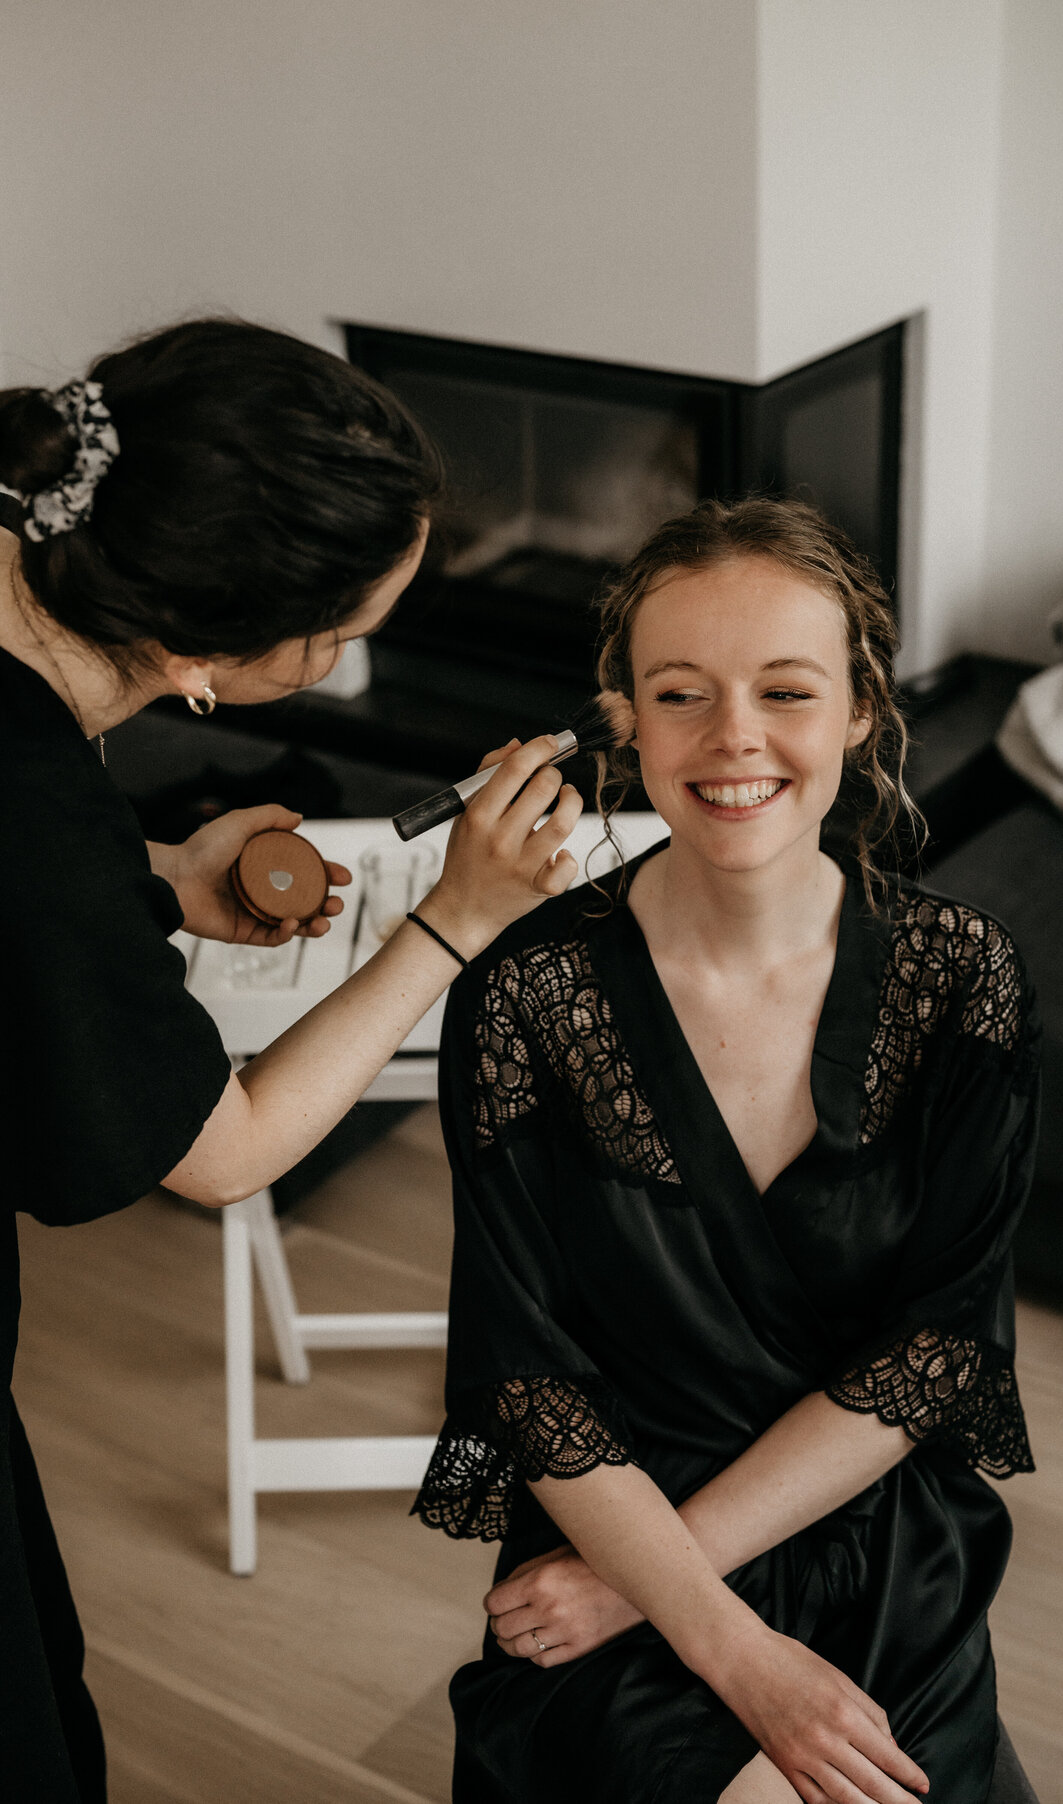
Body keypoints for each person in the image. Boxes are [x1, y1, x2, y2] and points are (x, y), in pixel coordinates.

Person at [0, 318, 584, 1802]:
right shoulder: (30, 814)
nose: (356, 658)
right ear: (201, 659)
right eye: (339, 636)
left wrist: (146, 873)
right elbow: (232, 1151)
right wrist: (452, 925)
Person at [414, 497, 1041, 1804]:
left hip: (864, 1539)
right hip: (610, 1519)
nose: (735, 737)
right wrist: (730, 1647)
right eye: (682, 692)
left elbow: (937, 1354)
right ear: (625, 716)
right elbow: (530, 1384)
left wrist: (645, 1594)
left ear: (861, 708)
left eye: (787, 690)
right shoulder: (524, 996)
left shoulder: (963, 980)